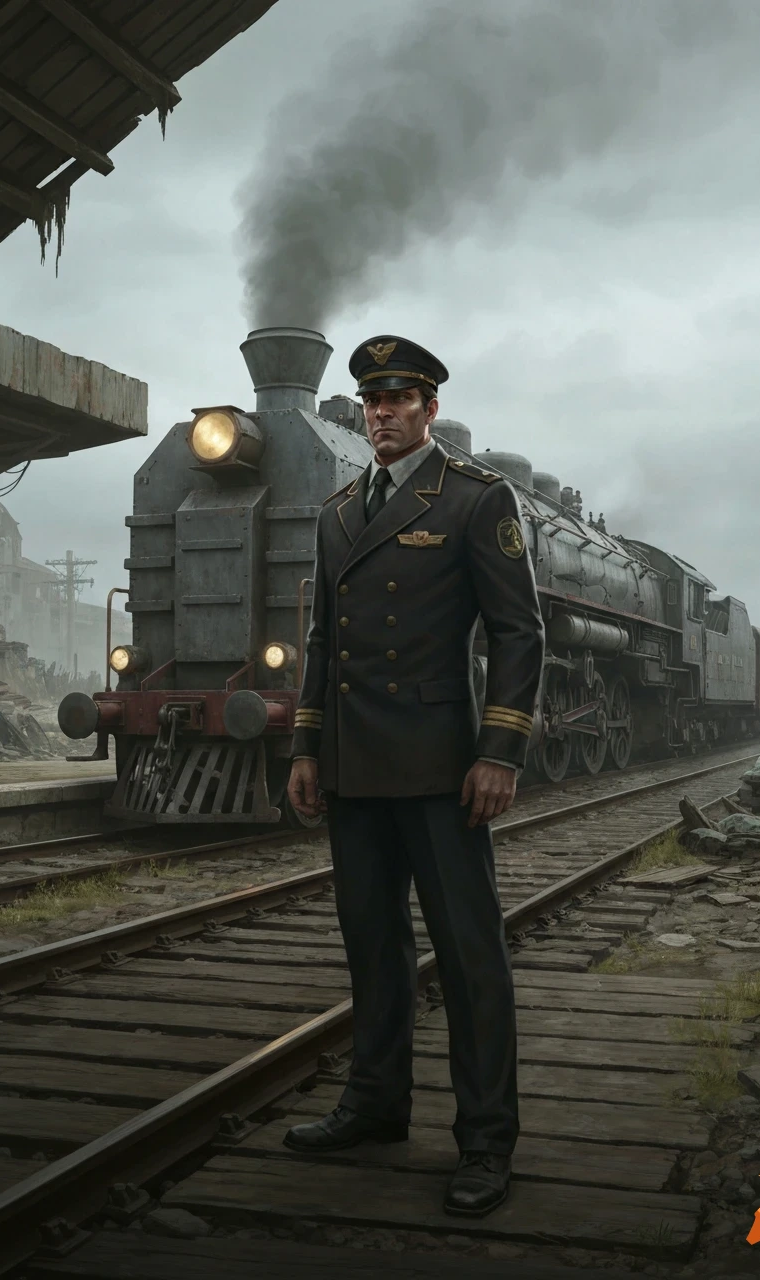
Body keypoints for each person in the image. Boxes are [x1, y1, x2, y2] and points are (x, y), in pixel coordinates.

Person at [284, 334, 545, 1217]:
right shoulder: (337, 513)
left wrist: (499, 751)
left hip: (441, 768)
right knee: (371, 945)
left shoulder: (474, 497)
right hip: (354, 768)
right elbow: (322, 642)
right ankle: (376, 1104)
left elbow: (519, 632)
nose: (382, 414)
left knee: (470, 958)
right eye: (372, 402)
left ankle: (486, 1140)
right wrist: (307, 749)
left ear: (430, 409)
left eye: (399, 400)